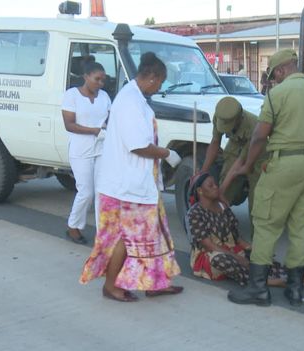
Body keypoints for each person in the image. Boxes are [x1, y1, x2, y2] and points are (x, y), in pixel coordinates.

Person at [227, 49, 304, 307]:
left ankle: (258, 290)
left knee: (266, 223)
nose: (273, 81)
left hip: (284, 163)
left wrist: (246, 164)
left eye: (274, 76)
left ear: (280, 71)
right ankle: (295, 290)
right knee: (301, 227)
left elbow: (258, 136)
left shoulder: (276, 95)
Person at [79, 52, 183, 302]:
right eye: (160, 82)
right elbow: (137, 145)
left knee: (152, 233)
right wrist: (168, 153)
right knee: (125, 238)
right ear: (151, 77)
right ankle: (111, 286)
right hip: (124, 186)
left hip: (138, 183)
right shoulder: (129, 102)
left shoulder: (136, 97)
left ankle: (155, 283)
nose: (160, 87)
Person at [187, 173, 304, 287]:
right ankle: (274, 282)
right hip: (209, 257)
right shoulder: (195, 213)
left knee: (260, 256)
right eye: (211, 186)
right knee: (222, 259)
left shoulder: (222, 206)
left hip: (231, 249)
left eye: (215, 184)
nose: (216, 187)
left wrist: (253, 248)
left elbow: (236, 237)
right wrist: (238, 256)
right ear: (200, 191)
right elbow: (208, 245)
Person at [61, 57, 111, 245]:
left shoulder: (104, 97)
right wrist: (94, 131)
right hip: (80, 149)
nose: (100, 83)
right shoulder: (72, 95)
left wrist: (105, 128)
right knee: (86, 192)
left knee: (101, 192)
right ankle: (73, 226)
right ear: (86, 76)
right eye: (97, 79)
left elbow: (110, 117)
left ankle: (103, 234)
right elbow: (69, 125)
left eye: (103, 80)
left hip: (101, 148)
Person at [201, 96, 266, 222]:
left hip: (258, 151)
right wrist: (202, 173)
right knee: (224, 190)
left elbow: (240, 162)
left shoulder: (253, 125)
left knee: (257, 197)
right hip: (236, 144)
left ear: (239, 119)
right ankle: (218, 224)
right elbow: (215, 142)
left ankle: (257, 237)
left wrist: (221, 189)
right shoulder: (220, 116)